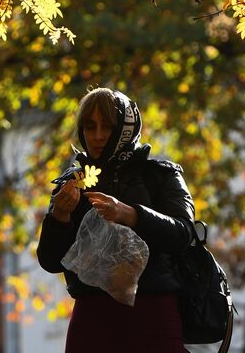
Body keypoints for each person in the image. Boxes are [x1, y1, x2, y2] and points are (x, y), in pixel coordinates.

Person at [37, 87, 195, 353]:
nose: (97, 136)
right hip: (92, 319)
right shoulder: (72, 184)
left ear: (126, 128)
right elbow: (50, 261)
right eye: (90, 126)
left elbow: (183, 234)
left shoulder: (160, 175)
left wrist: (130, 214)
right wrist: (60, 216)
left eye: (108, 127)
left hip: (152, 314)